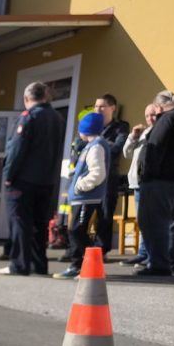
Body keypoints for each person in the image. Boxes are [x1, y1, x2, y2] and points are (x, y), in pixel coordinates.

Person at [0, 82, 65, 276]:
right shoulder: (57, 118)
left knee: (20, 222)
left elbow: (17, 149)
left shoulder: (28, 117)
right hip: (47, 179)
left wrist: (8, 176)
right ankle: (38, 264)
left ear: (27, 99)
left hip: (24, 179)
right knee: (39, 224)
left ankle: (19, 264)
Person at [53, 112, 109, 279]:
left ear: (86, 130)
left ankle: (79, 266)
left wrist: (79, 186)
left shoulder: (96, 146)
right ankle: (84, 266)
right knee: (77, 231)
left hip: (86, 197)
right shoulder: (90, 146)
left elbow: (98, 173)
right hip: (82, 198)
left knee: (78, 231)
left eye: (80, 129)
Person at [136, 90, 174, 276]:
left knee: (154, 223)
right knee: (170, 225)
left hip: (159, 180)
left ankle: (159, 264)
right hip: (171, 180)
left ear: (158, 106)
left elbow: (155, 148)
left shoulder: (166, 119)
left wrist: (146, 174)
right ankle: (170, 262)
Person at [119, 103, 160, 266]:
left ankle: (150, 255)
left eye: (153, 115)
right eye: (147, 115)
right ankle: (143, 253)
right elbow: (127, 153)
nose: (150, 118)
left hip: (150, 182)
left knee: (151, 220)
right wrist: (133, 137)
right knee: (142, 220)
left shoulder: (161, 131)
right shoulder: (143, 133)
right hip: (136, 182)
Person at [90, 94, 130, 258]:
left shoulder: (121, 126)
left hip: (108, 175)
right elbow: (80, 144)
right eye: (96, 106)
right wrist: (104, 145)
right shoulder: (93, 125)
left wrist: (95, 146)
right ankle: (77, 250)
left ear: (112, 108)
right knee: (84, 212)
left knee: (105, 213)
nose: (97, 109)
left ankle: (101, 250)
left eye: (102, 106)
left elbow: (117, 148)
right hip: (90, 175)